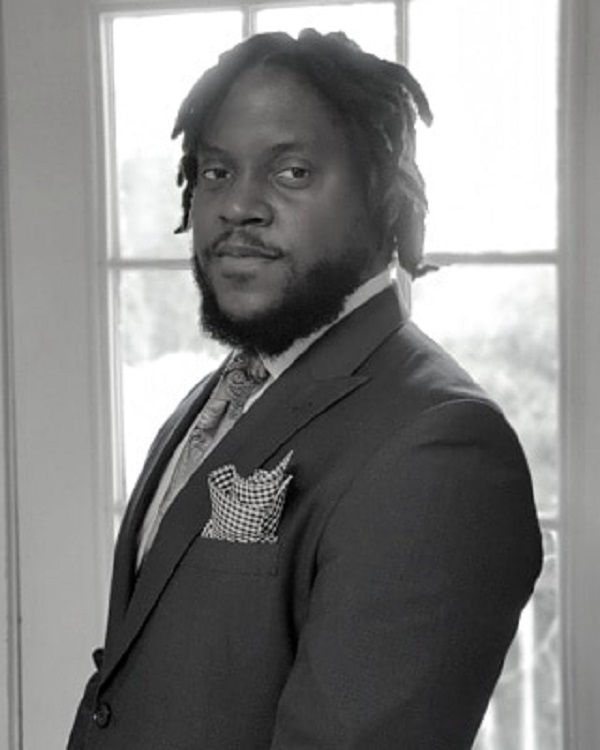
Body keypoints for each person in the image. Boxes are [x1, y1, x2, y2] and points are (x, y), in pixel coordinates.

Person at [69, 29, 542, 749]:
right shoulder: (221, 395)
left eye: (291, 172)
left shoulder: (441, 448)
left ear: (382, 198)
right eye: (216, 171)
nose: (237, 206)